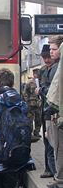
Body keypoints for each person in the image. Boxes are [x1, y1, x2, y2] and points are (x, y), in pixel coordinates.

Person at [45, 35, 63, 188]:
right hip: (55, 114)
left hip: (57, 115)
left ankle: (60, 179)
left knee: (57, 149)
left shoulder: (58, 68)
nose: (51, 52)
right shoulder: (55, 67)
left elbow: (55, 92)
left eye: (54, 49)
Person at [38, 44, 57, 178]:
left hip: (52, 109)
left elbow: (51, 91)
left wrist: (41, 90)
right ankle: (48, 168)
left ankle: (54, 170)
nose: (46, 59)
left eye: (48, 56)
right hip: (44, 108)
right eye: (44, 57)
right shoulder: (43, 70)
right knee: (46, 140)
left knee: (51, 140)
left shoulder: (56, 69)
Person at [23, 69, 41, 142]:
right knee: (30, 119)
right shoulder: (30, 82)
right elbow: (25, 92)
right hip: (31, 104)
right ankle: (29, 134)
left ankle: (37, 132)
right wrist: (27, 101)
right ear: (33, 74)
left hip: (39, 104)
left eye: (37, 73)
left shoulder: (41, 82)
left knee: (38, 119)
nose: (36, 75)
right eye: (35, 73)